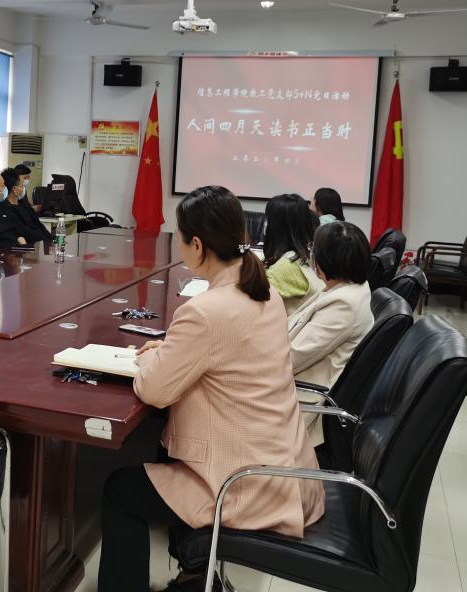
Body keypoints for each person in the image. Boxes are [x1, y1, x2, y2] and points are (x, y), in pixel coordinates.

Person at [97, 185, 324, 592]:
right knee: (164, 448)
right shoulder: (263, 291)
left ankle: (189, 574)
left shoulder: (205, 311)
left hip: (244, 483)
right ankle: (194, 575)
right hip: (284, 466)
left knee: (121, 491)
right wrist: (170, 349)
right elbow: (225, 351)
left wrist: (147, 358)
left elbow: (154, 390)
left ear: (197, 245)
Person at [288, 221, 374, 443]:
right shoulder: (345, 289)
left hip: (300, 400)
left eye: (313, 249)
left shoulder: (344, 305)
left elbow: (290, 358)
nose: (310, 254)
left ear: (326, 260)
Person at [262, 193, 322, 317]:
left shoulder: (284, 268)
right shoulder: (308, 255)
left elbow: (251, 302)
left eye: (268, 219)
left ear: (275, 226)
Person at [2, 167, 51, 243]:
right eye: (22, 186)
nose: (23, 188)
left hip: (44, 242)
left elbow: (39, 225)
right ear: (14, 189)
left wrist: (51, 239)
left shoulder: (24, 205)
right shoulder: (7, 209)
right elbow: (25, 232)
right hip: (34, 245)